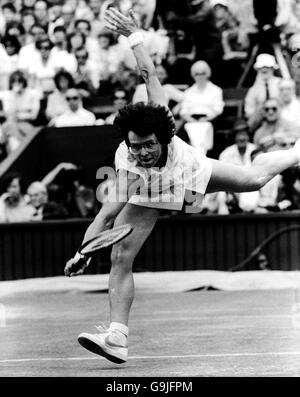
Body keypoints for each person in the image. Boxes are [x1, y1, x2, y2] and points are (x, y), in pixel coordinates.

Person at [64, 7, 300, 365]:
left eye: (148, 144)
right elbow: (105, 215)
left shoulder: (165, 121)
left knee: (254, 180)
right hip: (153, 195)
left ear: (163, 137)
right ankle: (117, 337)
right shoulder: (127, 164)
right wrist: (82, 253)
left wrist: (133, 35)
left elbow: (148, 72)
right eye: (135, 145)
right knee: (120, 255)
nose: (141, 151)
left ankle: (294, 152)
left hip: (192, 182)